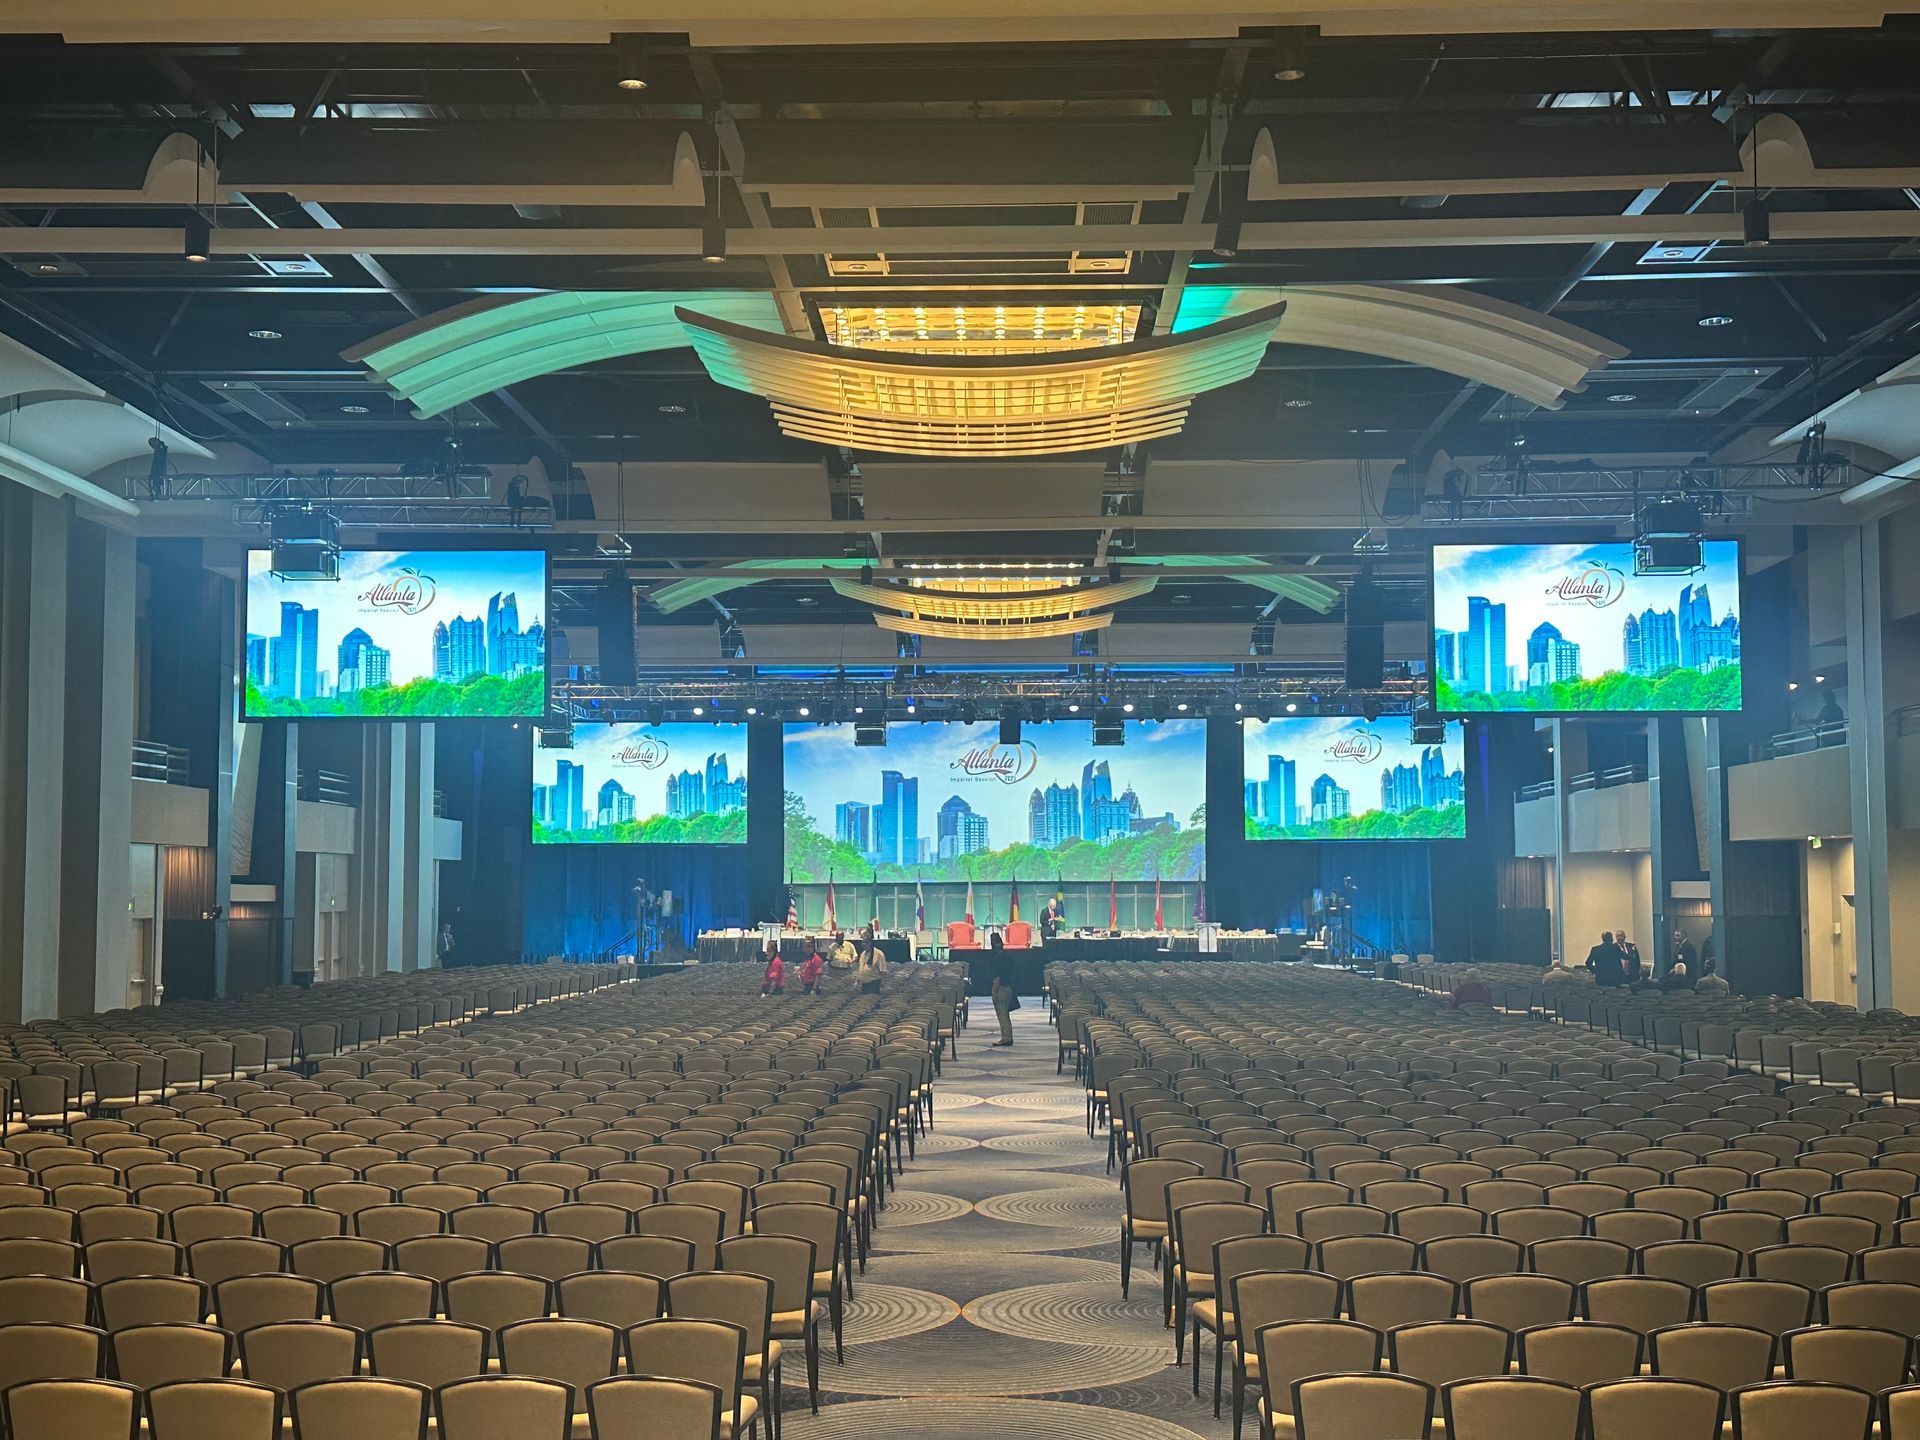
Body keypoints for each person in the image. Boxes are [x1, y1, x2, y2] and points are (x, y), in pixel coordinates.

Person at [990, 935, 1016, 1046]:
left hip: (1001, 989)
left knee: (1002, 1016)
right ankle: (1008, 1036)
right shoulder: (1009, 957)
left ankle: (1006, 1038)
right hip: (1009, 988)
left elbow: (997, 978)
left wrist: (994, 992)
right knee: (1006, 1015)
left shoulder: (997, 959)